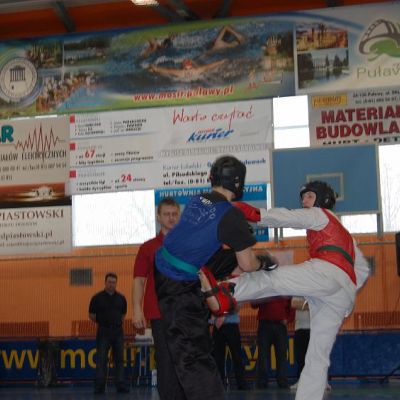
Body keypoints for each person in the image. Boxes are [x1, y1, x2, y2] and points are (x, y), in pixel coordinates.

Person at [199, 180, 370, 400]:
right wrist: (345, 289)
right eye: (303, 197)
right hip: (342, 295)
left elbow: (288, 217)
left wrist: (253, 213)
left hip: (327, 272)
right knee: (317, 357)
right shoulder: (346, 235)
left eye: (309, 196)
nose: (304, 201)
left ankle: (227, 292)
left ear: (323, 199)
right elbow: (363, 269)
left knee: (272, 277)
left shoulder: (320, 214)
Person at [154, 155, 276, 400]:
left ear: (213, 178)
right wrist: (263, 262)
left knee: (179, 349)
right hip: (178, 281)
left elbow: (204, 241)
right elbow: (247, 264)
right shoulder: (231, 216)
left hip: (166, 265)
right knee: (193, 355)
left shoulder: (199, 198)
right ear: (238, 183)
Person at [132, 197, 181, 399]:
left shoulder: (188, 246)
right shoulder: (148, 248)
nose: (171, 218)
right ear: (158, 217)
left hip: (186, 313)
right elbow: (139, 280)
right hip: (160, 313)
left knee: (186, 360)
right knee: (166, 361)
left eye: (174, 214)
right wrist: (137, 309)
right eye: (167, 214)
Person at [89, 272, 128, 394]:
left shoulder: (122, 298)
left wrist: (116, 323)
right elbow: (92, 315)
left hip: (118, 332)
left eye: (114, 282)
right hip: (103, 332)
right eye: (109, 282)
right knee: (101, 360)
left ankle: (121, 385)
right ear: (105, 282)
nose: (111, 284)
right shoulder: (96, 298)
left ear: (116, 283)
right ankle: (99, 387)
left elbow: (123, 314)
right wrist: (103, 322)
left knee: (119, 360)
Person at [252, 297, 293, 389]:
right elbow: (253, 304)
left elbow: (292, 304)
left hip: (280, 325)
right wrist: (261, 296)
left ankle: (282, 381)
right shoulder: (262, 289)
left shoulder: (285, 290)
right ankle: (262, 382)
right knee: (263, 355)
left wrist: (289, 319)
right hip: (264, 324)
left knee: (281, 355)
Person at [210, 309, 248, 391]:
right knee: (218, 357)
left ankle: (241, 383)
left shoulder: (234, 299)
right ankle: (219, 383)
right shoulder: (213, 298)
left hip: (232, 325)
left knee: (237, 356)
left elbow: (237, 306)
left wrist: (223, 313)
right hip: (218, 326)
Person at [148, 58, 227, 82]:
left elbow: (163, 71)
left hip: (184, 80)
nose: (188, 71)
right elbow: (209, 66)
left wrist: (152, 66)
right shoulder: (197, 70)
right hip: (196, 79)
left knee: (166, 74)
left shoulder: (180, 72)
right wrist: (221, 61)